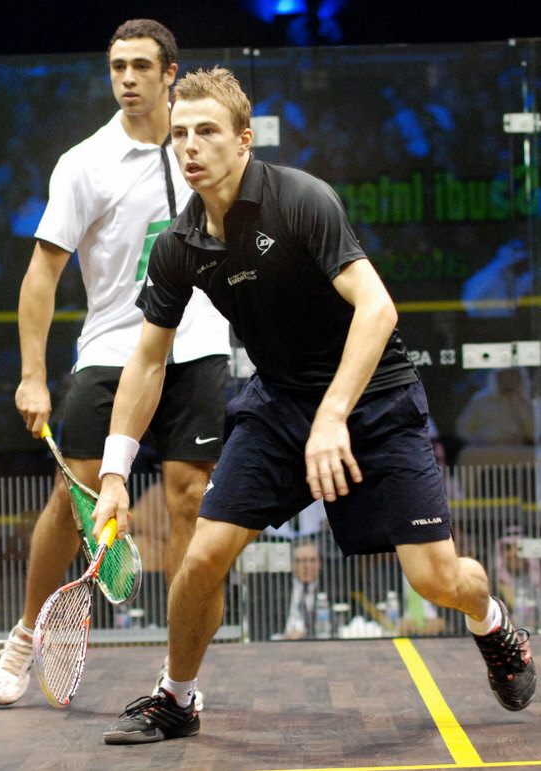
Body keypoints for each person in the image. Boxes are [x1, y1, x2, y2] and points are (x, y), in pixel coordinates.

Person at [93, 67, 535, 745]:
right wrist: (114, 473)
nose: (190, 146)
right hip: (278, 406)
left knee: (436, 579)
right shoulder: (179, 246)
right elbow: (148, 361)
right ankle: (176, 697)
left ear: (244, 139)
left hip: (377, 401)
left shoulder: (301, 200)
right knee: (203, 557)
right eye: (179, 133)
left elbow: (377, 308)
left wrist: (333, 415)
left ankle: (494, 624)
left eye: (207, 131)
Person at [0, 22, 231, 710]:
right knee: (78, 497)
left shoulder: (201, 148)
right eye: (117, 66)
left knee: (190, 496)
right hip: (113, 351)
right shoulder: (84, 163)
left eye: (141, 66)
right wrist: (32, 374)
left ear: (170, 73)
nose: (127, 78)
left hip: (198, 346)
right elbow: (42, 275)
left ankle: (178, 673)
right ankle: (26, 632)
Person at [278, 539, 322, 640]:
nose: (306, 566)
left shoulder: (333, 590)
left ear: (320, 563)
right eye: (300, 561)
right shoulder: (278, 590)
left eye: (312, 560)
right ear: (292, 564)